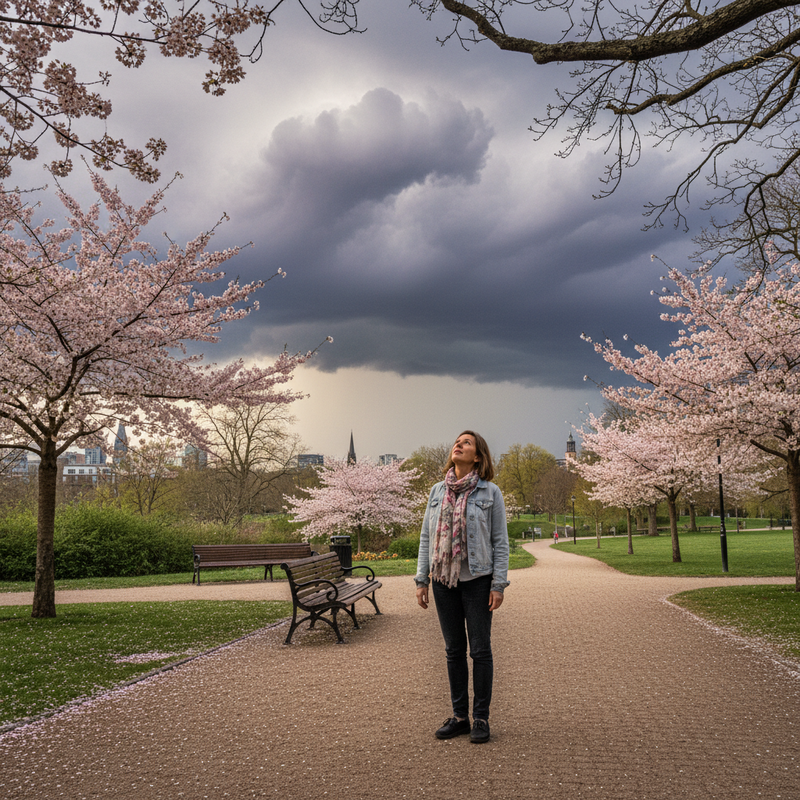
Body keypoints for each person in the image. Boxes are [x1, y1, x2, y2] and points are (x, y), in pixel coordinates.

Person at [415, 430, 510, 744]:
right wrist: (421, 580)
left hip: (479, 582)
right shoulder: (436, 491)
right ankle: (460, 718)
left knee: (480, 651)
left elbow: (500, 543)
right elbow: (426, 539)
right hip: (443, 581)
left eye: (466, 442)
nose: (459, 444)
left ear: (478, 457)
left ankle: (481, 717)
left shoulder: (490, 493)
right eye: (458, 441)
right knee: (453, 651)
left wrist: (499, 584)